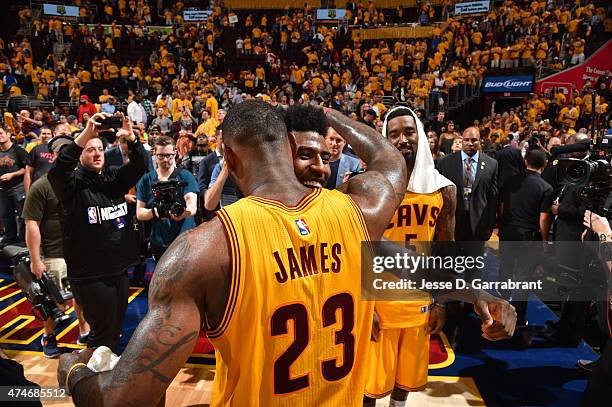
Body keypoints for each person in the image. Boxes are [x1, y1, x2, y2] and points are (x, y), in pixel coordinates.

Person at [57, 99, 409, 405]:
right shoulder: (360, 211)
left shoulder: (203, 251)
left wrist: (73, 371)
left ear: (226, 156)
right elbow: (389, 158)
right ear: (289, 144)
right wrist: (328, 115)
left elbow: (123, 400)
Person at [364, 106, 457, 406]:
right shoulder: (370, 186)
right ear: (385, 141)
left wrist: (441, 301)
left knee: (404, 379)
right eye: (393, 135)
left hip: (417, 299)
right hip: (378, 300)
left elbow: (446, 248)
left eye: (408, 131)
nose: (402, 139)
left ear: (421, 136)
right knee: (369, 384)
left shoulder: (443, 189)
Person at [47, 112, 147, 352]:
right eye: (90, 149)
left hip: (119, 270)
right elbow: (58, 171)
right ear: (80, 153)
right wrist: (86, 133)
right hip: (90, 275)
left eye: (99, 148)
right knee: (101, 336)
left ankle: (106, 381)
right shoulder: (70, 184)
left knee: (115, 332)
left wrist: (132, 138)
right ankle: (91, 384)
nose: (97, 153)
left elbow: (141, 164)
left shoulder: (113, 178)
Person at [22, 135, 90, 357]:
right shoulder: (41, 186)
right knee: (54, 302)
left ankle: (84, 329)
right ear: (52, 156)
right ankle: (48, 335)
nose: (64, 155)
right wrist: (35, 259)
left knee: (81, 296)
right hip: (53, 254)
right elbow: (31, 224)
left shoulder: (81, 180)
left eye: (69, 150)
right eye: (60, 151)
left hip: (79, 251)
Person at [498, 147, 553, 326]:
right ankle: (518, 318)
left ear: (525, 161)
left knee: (505, 271)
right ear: (544, 164)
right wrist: (544, 241)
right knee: (523, 277)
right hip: (527, 237)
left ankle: (500, 311)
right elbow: (543, 218)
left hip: (508, 232)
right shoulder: (546, 187)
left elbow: (502, 207)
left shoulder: (510, 181)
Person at [136, 136, 198, 261]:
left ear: (175, 152)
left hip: (184, 239)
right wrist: (154, 212)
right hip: (159, 240)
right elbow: (139, 213)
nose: (165, 160)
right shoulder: (146, 180)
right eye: (161, 156)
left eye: (169, 155)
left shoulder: (185, 176)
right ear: (154, 153)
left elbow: (192, 205)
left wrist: (184, 212)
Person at [0, 125, 27, 246]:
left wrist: (12, 174)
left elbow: (27, 169)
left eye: (1, 133)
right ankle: (10, 238)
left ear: (8, 135)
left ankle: (22, 240)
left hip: (18, 188)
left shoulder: (18, 150)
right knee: (6, 215)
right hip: (2, 189)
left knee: (22, 217)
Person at [23, 126, 54, 193]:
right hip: (37, 186)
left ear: (52, 135)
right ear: (39, 135)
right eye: (43, 133)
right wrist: (27, 192)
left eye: (48, 134)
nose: (46, 136)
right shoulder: (34, 147)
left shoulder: (57, 149)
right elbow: (28, 171)